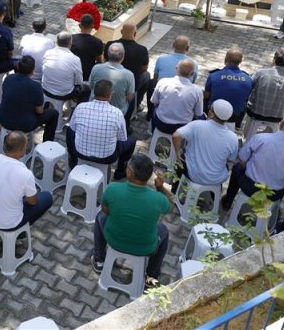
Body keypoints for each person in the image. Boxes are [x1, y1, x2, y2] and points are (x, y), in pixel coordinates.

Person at [90, 153, 171, 290]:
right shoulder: (157, 199)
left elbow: (105, 210)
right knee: (164, 230)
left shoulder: (113, 189)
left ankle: (99, 259)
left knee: (100, 217)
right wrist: (161, 187)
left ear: (130, 172)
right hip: (146, 247)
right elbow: (171, 205)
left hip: (114, 240)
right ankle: (151, 276)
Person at [221, 110, 284, 209]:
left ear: (281, 123)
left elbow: (242, 159)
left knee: (237, 168)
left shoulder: (260, 138)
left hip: (250, 187)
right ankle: (272, 215)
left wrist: (252, 169)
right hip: (274, 193)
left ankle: (228, 201)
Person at [0, 131, 53, 229]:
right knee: (47, 197)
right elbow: (32, 202)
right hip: (9, 223)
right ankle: (21, 231)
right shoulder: (25, 174)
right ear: (21, 149)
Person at [67, 80, 137, 178]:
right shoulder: (117, 113)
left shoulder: (80, 107)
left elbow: (72, 129)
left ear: (94, 92)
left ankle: (73, 160)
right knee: (132, 139)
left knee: (70, 131)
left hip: (80, 152)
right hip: (107, 157)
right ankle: (120, 171)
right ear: (110, 94)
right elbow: (122, 138)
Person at [171, 100, 239, 192]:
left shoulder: (197, 125)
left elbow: (176, 136)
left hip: (193, 174)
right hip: (217, 179)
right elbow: (231, 159)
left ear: (212, 114)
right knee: (224, 165)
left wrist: (178, 152)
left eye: (210, 109)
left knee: (182, 157)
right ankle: (213, 194)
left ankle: (174, 191)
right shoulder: (233, 138)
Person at [0, 56, 59, 143]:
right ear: (33, 70)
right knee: (54, 114)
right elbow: (39, 112)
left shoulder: (8, 78)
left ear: (18, 67)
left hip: (3, 119)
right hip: (24, 125)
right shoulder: (36, 86)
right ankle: (47, 144)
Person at [245, 48, 284, 129]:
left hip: (255, 112)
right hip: (279, 116)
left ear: (274, 59)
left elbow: (249, 88)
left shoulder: (261, 73)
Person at [146, 35, 198, 121]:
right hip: (184, 97)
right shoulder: (193, 64)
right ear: (188, 48)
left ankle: (150, 114)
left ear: (173, 45)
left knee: (151, 83)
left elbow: (155, 78)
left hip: (163, 93)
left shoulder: (161, 58)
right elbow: (192, 82)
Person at [150, 59, 203, 134]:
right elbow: (198, 113)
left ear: (176, 69)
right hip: (182, 127)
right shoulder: (197, 91)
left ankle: (152, 132)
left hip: (161, 123)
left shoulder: (163, 82)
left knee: (154, 108)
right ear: (192, 74)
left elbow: (154, 101)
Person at [106, 24, 151, 110]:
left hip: (109, 80)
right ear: (135, 33)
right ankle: (136, 104)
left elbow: (105, 61)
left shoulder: (110, 45)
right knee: (147, 75)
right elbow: (144, 69)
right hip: (131, 85)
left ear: (121, 32)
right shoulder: (142, 50)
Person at [204, 49, 253, 128]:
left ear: (225, 59)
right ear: (240, 62)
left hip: (215, 114)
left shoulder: (214, 75)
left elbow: (206, 95)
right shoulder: (248, 79)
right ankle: (238, 125)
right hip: (235, 116)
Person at [42, 31, 90, 105]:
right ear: (70, 44)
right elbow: (79, 81)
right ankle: (77, 110)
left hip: (46, 89)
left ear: (57, 42)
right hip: (64, 94)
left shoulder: (48, 53)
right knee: (86, 89)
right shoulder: (75, 59)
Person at [89, 43, 135, 119]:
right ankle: (127, 123)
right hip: (117, 112)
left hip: (94, 107)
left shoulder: (96, 68)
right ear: (122, 57)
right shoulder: (129, 75)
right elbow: (129, 97)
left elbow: (91, 86)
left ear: (107, 55)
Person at [71, 14, 104, 81]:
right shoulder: (98, 42)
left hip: (72, 73)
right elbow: (99, 61)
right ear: (92, 26)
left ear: (79, 25)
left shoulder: (71, 38)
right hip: (88, 74)